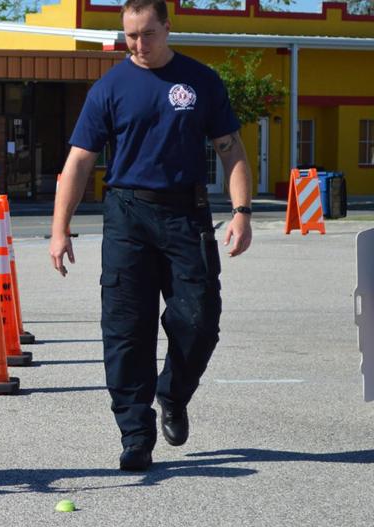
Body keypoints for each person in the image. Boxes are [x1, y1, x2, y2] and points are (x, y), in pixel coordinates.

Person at [49, 0, 252, 471]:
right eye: (130, 36)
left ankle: (173, 395)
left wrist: (241, 212)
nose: (138, 45)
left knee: (200, 320)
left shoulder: (200, 81)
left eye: (147, 34)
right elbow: (79, 160)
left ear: (167, 27)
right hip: (127, 215)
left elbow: (231, 149)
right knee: (126, 329)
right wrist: (60, 230)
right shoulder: (110, 87)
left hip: (186, 213)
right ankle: (135, 435)